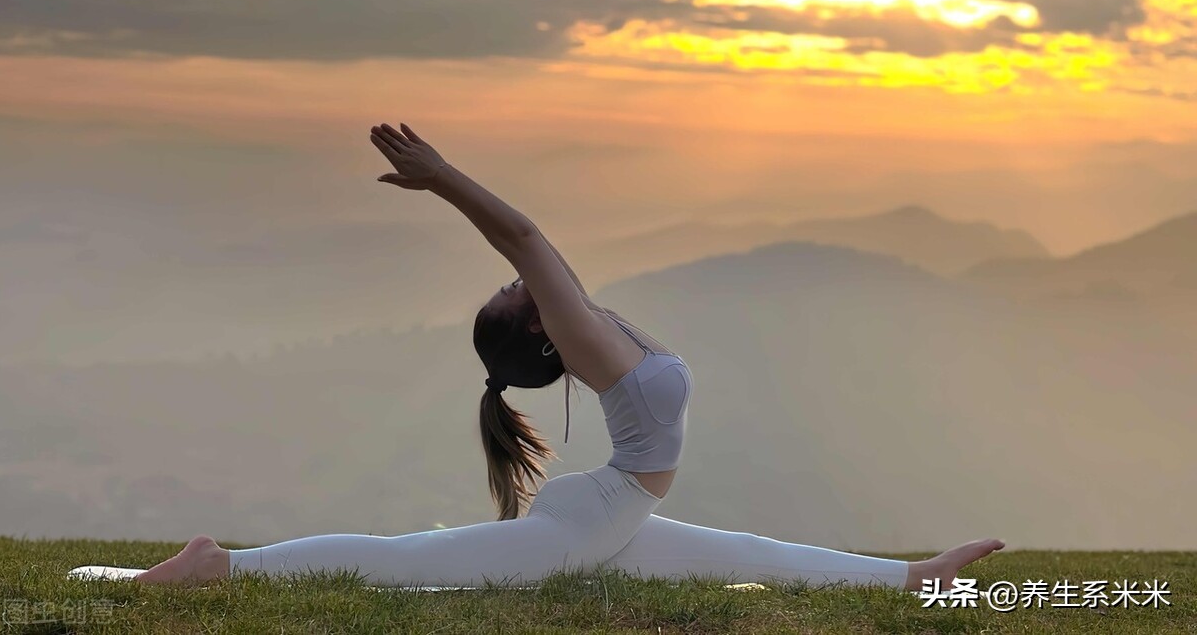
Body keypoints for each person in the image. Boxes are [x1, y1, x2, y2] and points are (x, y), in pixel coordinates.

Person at [135, 122, 1003, 589]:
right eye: (513, 297)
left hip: (606, 507)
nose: (515, 285)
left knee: (751, 554)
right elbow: (522, 236)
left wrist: (455, 192)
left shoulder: (586, 321)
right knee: (410, 565)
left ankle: (913, 576)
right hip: (596, 513)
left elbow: (536, 259)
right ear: (540, 331)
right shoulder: (585, 339)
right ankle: (226, 566)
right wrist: (441, 179)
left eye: (513, 289)